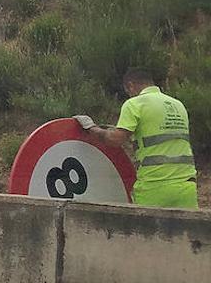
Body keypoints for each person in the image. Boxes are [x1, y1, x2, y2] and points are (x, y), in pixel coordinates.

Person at [75, 68, 198, 209]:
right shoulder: (178, 105)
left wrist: (92, 128)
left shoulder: (135, 104)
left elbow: (115, 140)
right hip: (187, 186)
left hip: (154, 185)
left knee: (146, 230)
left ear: (131, 85)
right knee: (184, 230)